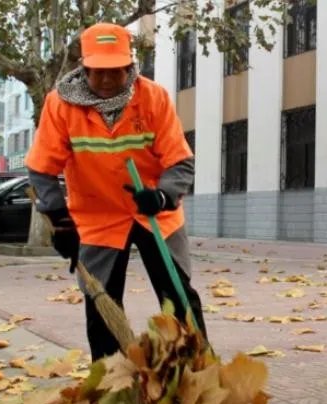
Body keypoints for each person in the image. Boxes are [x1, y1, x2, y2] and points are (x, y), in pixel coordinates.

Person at [25, 21, 207, 362]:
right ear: (83, 67)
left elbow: (180, 162)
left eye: (116, 71)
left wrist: (163, 195)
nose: (107, 80)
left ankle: (195, 375)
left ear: (130, 66)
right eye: (97, 72)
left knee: (179, 297)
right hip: (98, 219)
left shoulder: (153, 97)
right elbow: (41, 169)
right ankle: (112, 384)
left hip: (155, 213)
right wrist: (60, 221)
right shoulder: (60, 105)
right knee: (102, 304)